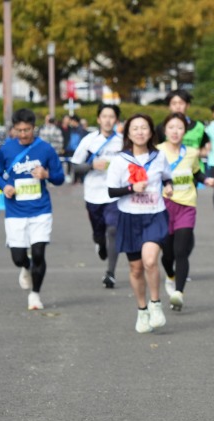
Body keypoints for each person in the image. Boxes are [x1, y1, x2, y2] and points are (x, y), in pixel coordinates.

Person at [0, 108, 65, 310]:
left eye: (27, 130)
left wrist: (46, 174)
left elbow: (60, 178)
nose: (23, 134)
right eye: (19, 130)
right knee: (18, 257)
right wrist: (4, 186)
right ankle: (25, 266)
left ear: (34, 128)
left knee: (39, 252)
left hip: (41, 209)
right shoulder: (7, 149)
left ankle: (35, 295)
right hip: (15, 211)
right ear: (14, 129)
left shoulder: (45, 149)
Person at [106, 114, 173, 333]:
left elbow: (167, 176)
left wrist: (169, 186)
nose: (140, 132)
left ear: (151, 132)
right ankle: (142, 309)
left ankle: (155, 304)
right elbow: (111, 191)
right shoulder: (120, 160)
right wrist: (131, 188)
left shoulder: (159, 156)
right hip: (129, 216)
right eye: (135, 128)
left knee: (150, 261)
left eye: (144, 128)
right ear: (128, 133)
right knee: (135, 269)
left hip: (154, 214)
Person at [157, 112, 214, 312]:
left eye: (180, 128)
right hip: (163, 206)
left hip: (187, 205)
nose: (175, 131)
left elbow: (196, 172)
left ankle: (178, 293)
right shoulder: (157, 152)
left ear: (185, 131)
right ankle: (170, 275)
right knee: (167, 253)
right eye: (171, 127)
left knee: (181, 251)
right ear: (165, 130)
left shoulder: (191, 152)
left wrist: (206, 179)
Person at [70, 104, 124, 289]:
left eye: (111, 116)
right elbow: (75, 166)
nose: (108, 120)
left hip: (115, 194)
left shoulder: (123, 142)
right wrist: (92, 165)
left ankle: (110, 273)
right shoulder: (89, 140)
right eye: (104, 116)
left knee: (113, 230)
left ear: (116, 120)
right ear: (99, 119)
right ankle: (100, 243)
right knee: (99, 233)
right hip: (93, 193)